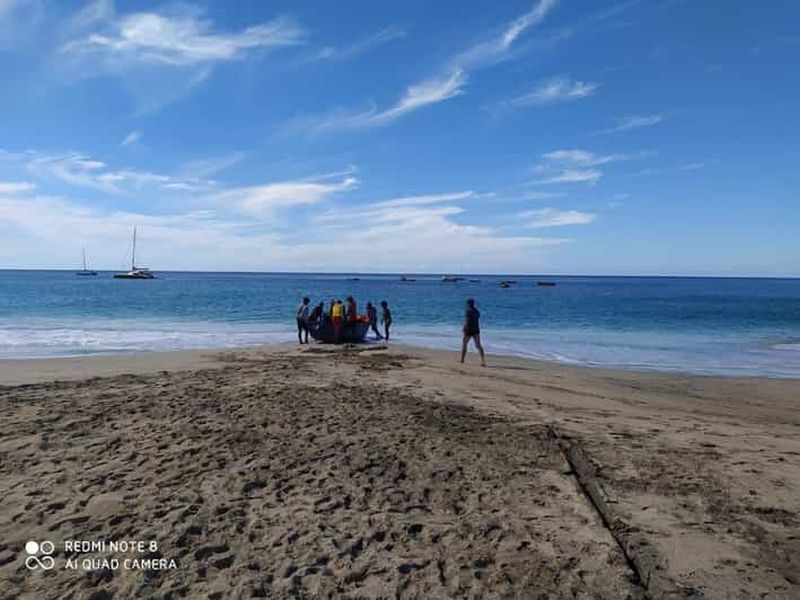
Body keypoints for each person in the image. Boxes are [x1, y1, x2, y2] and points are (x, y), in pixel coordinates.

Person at [460, 298, 486, 366]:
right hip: (476, 330)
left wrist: (464, 328)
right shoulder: (477, 311)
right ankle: (483, 361)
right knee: (478, 345)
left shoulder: (468, 311)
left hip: (469, 330)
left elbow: (467, 321)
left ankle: (462, 359)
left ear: (468, 304)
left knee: (464, 343)